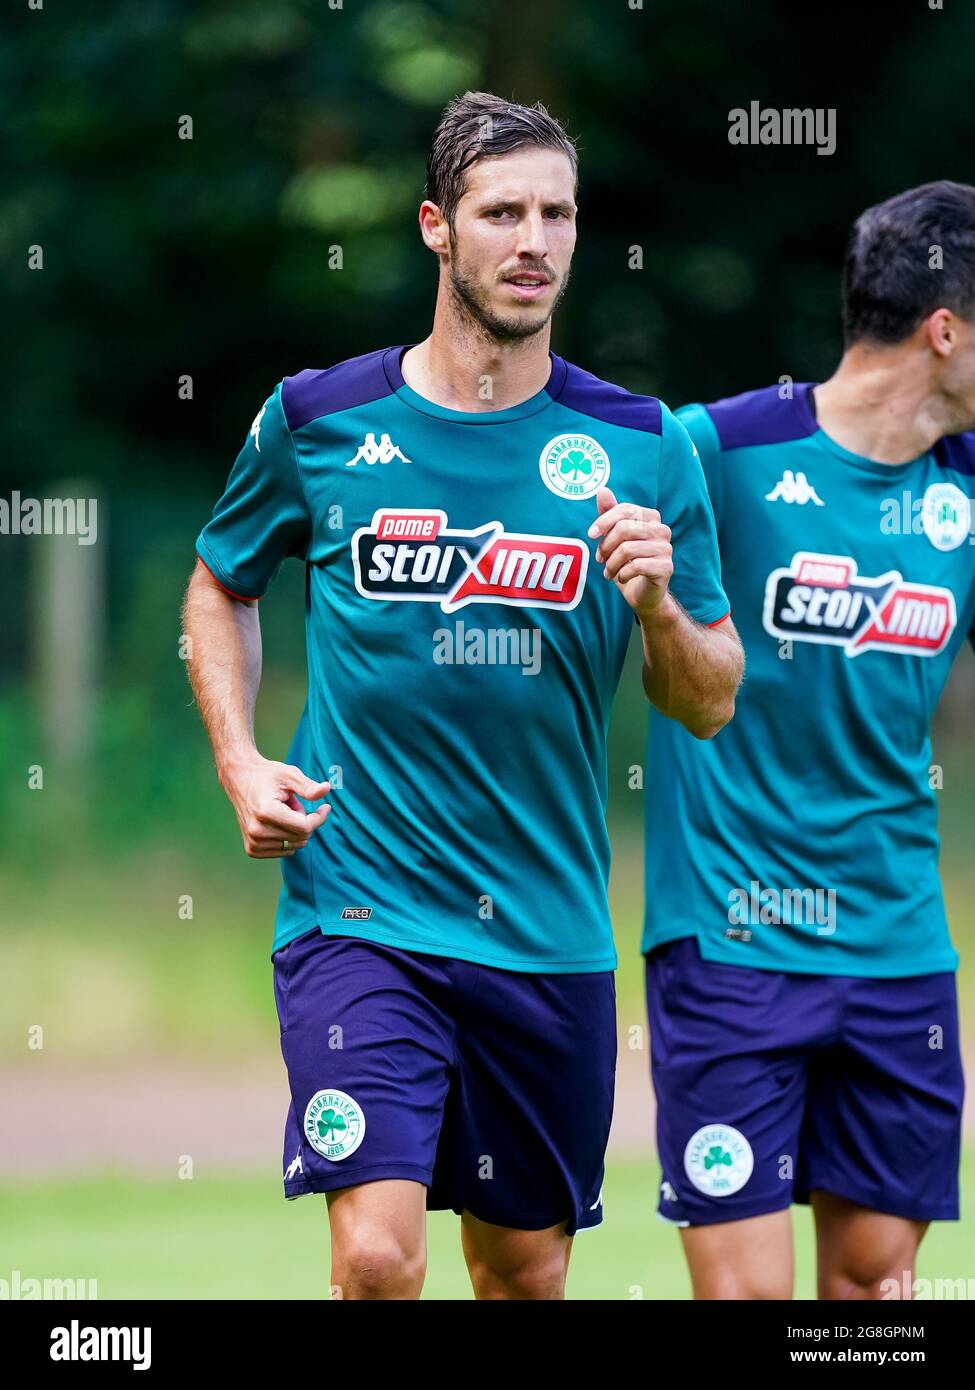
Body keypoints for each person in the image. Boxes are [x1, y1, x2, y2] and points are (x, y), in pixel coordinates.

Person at [183, 90, 742, 1300]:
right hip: (358, 913)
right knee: (378, 1260)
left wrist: (658, 607)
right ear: (439, 227)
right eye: (503, 212)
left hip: (546, 932)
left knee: (527, 1273)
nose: (533, 240)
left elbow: (708, 701)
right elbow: (219, 586)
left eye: (557, 213)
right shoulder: (320, 419)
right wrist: (239, 758)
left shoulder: (645, 444)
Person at [643, 180, 975, 1300]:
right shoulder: (713, 450)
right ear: (946, 330)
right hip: (734, 939)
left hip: (898, 949)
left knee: (877, 1289)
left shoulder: (966, 494)